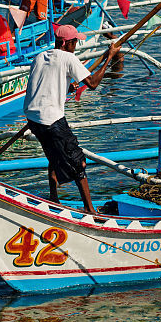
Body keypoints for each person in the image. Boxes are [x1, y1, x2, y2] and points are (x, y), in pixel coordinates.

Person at [23, 24, 120, 214]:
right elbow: (92, 84)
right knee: (79, 163)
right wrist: (109, 57)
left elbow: (45, 84)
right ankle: (90, 209)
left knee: (54, 155)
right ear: (69, 43)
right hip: (51, 119)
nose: (76, 46)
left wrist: (67, 87)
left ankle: (53, 197)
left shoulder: (40, 57)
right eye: (75, 42)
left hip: (33, 118)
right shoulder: (69, 57)